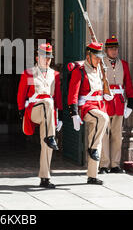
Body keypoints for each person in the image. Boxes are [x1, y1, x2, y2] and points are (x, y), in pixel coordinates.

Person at [17, 43, 62, 189]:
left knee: (47, 146)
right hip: (34, 109)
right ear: (37, 57)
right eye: (44, 57)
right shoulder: (29, 73)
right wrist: (21, 112)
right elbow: (21, 94)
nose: (47, 60)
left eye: (49, 57)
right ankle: (51, 138)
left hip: (49, 114)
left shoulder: (55, 74)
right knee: (47, 102)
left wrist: (59, 115)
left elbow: (58, 97)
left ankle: (45, 177)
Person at [67, 42, 113, 185]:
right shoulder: (79, 70)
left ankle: (92, 175)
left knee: (96, 139)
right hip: (86, 107)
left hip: (98, 105)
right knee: (103, 119)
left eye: (100, 57)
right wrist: (73, 113)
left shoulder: (99, 69)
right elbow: (72, 94)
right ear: (88, 55)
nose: (99, 60)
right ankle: (91, 148)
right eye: (96, 57)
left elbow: (101, 87)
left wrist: (106, 94)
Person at [99, 36, 133, 174]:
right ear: (106, 50)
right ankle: (104, 164)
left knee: (116, 135)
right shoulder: (100, 64)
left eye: (115, 48)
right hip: (105, 103)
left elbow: (129, 85)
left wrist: (130, 103)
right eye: (111, 48)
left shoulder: (124, 64)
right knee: (104, 135)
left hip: (119, 103)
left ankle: (115, 164)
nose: (114, 51)